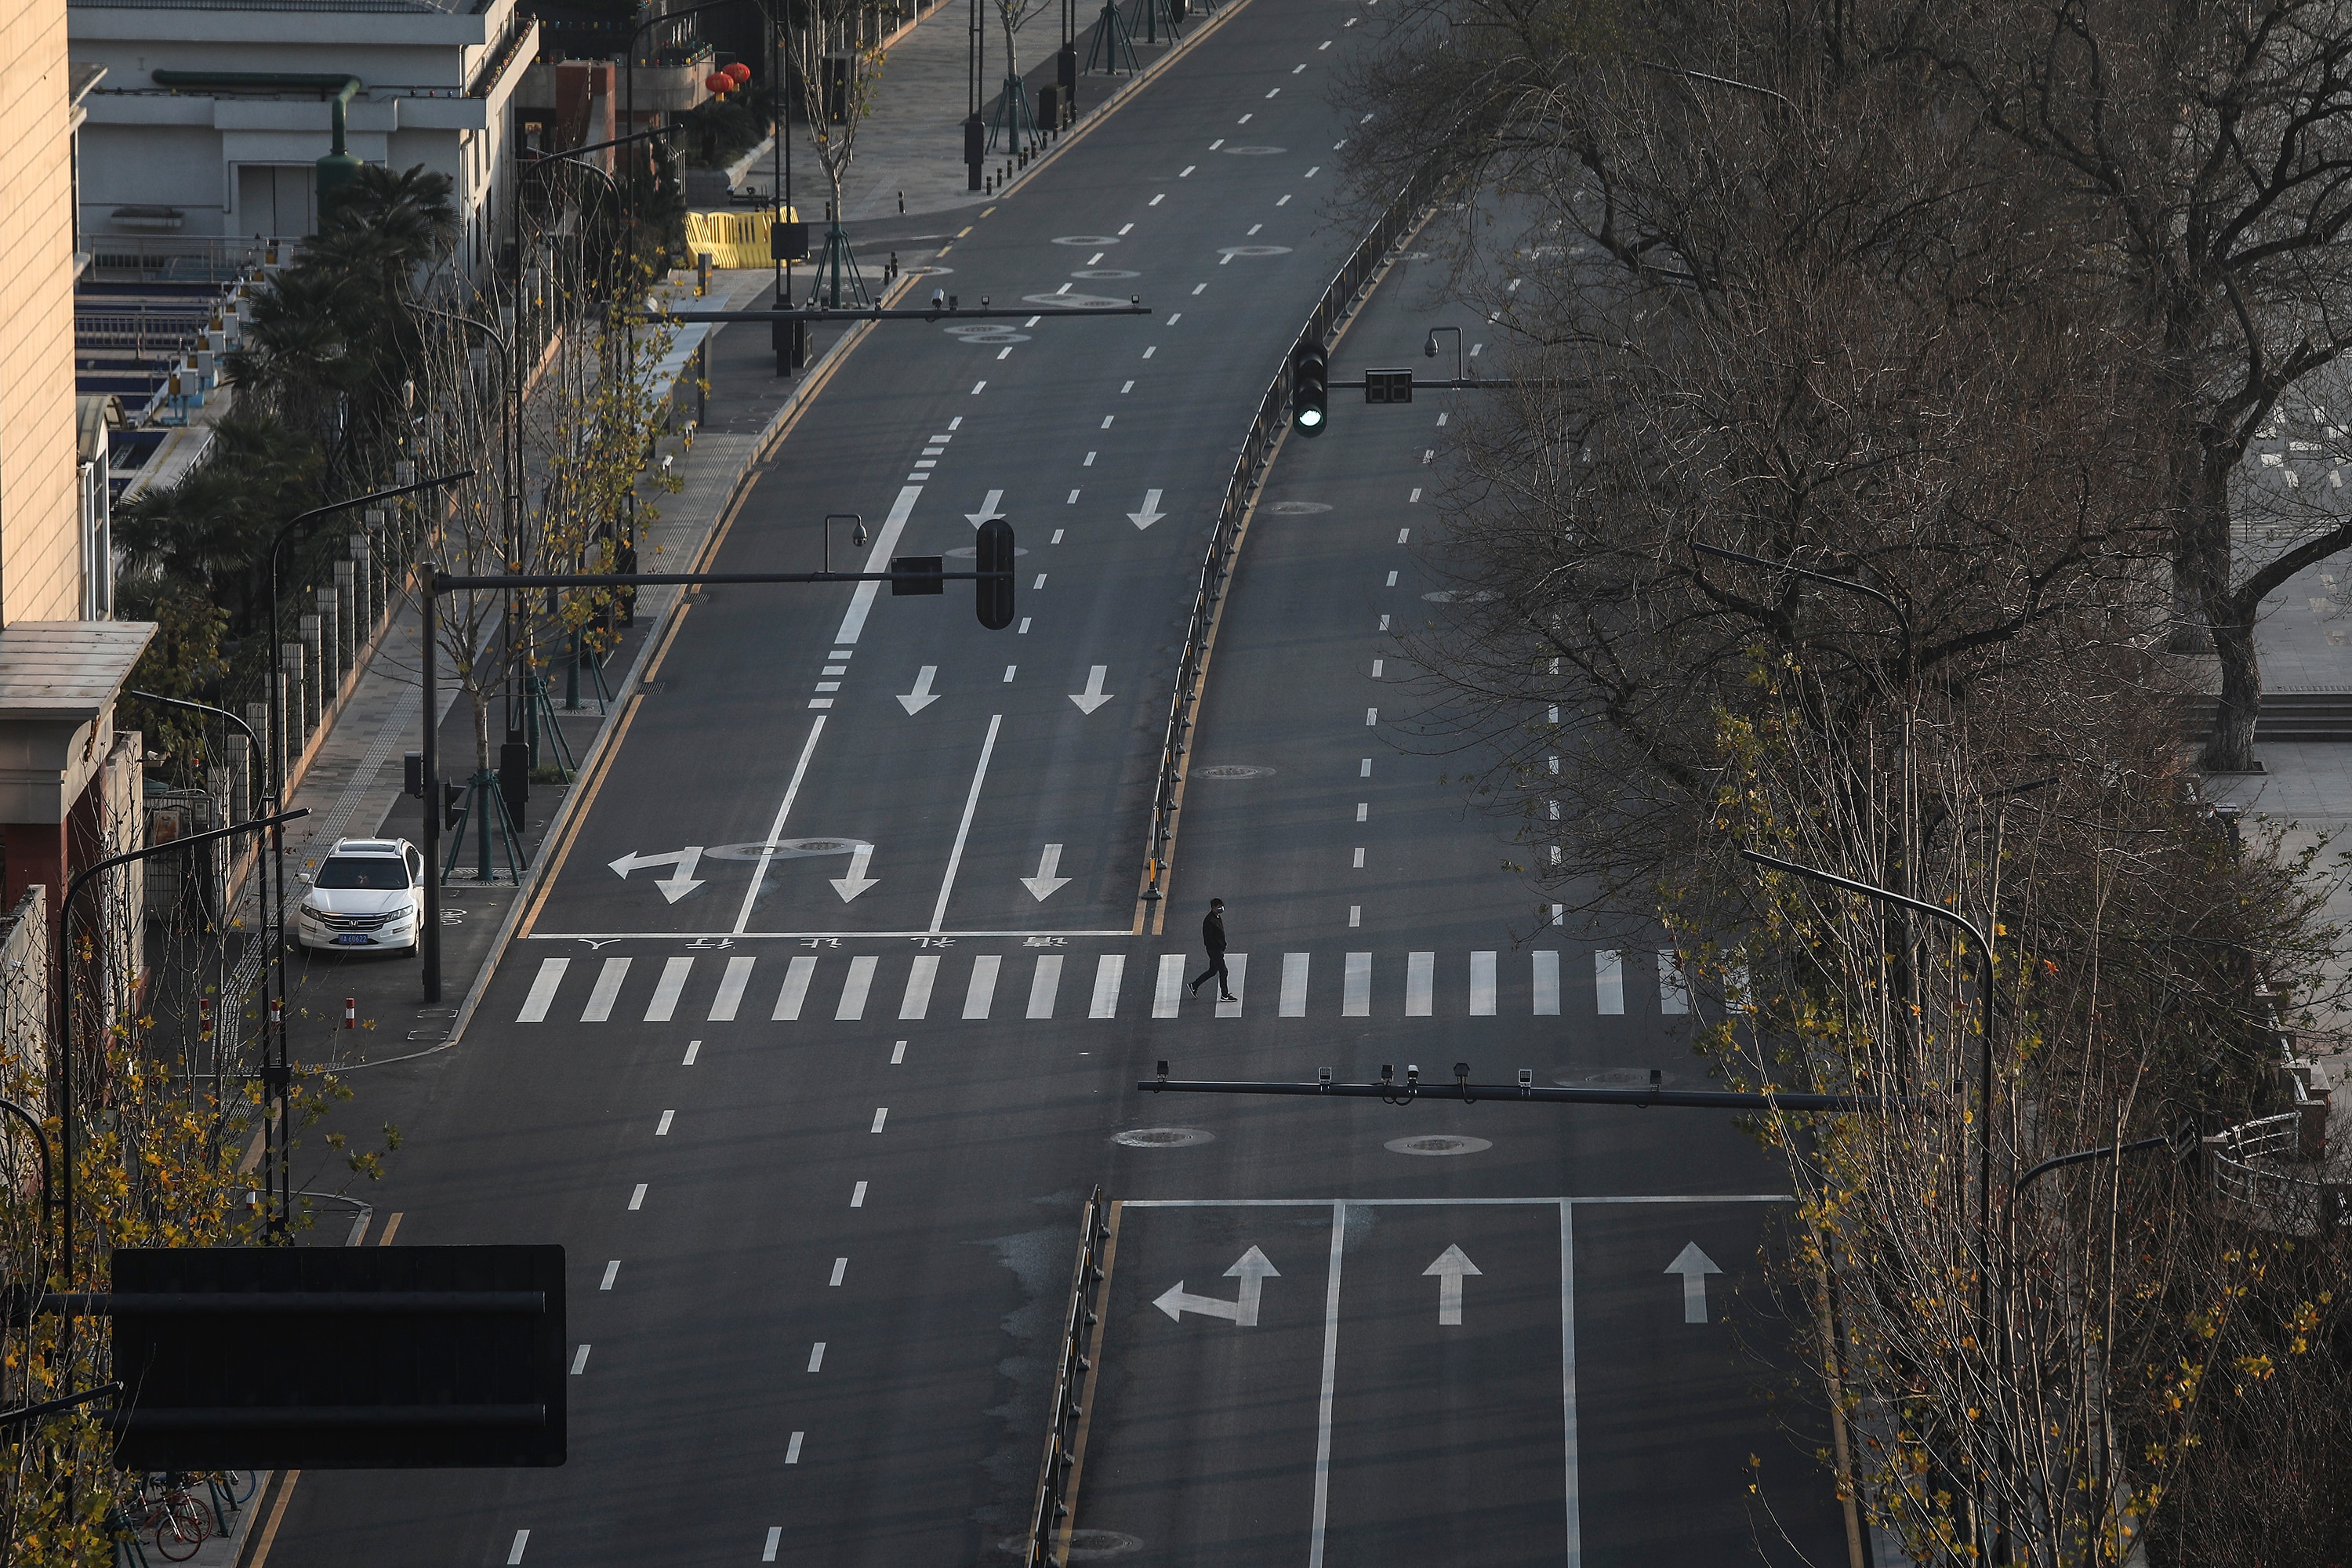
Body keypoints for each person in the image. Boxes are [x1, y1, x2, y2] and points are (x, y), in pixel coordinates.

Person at [1189, 898, 1236, 1001]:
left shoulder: (1217, 917)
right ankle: (1225, 995)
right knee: (1224, 971)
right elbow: (1209, 938)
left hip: (1218, 949)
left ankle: (1194, 985)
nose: (1221, 908)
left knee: (1213, 971)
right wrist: (1218, 948)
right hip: (1214, 950)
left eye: (1221, 906)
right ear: (1213, 908)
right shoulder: (1209, 921)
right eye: (1218, 907)